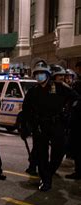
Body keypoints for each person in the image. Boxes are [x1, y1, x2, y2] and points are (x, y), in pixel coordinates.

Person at [23, 60, 79, 191]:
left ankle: (49, 171)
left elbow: (76, 98)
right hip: (40, 127)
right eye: (37, 74)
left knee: (58, 152)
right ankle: (46, 180)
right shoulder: (32, 92)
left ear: (48, 74)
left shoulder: (59, 87)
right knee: (42, 155)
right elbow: (26, 111)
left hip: (57, 125)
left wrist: (68, 111)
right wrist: (25, 126)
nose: (39, 76)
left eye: (42, 73)